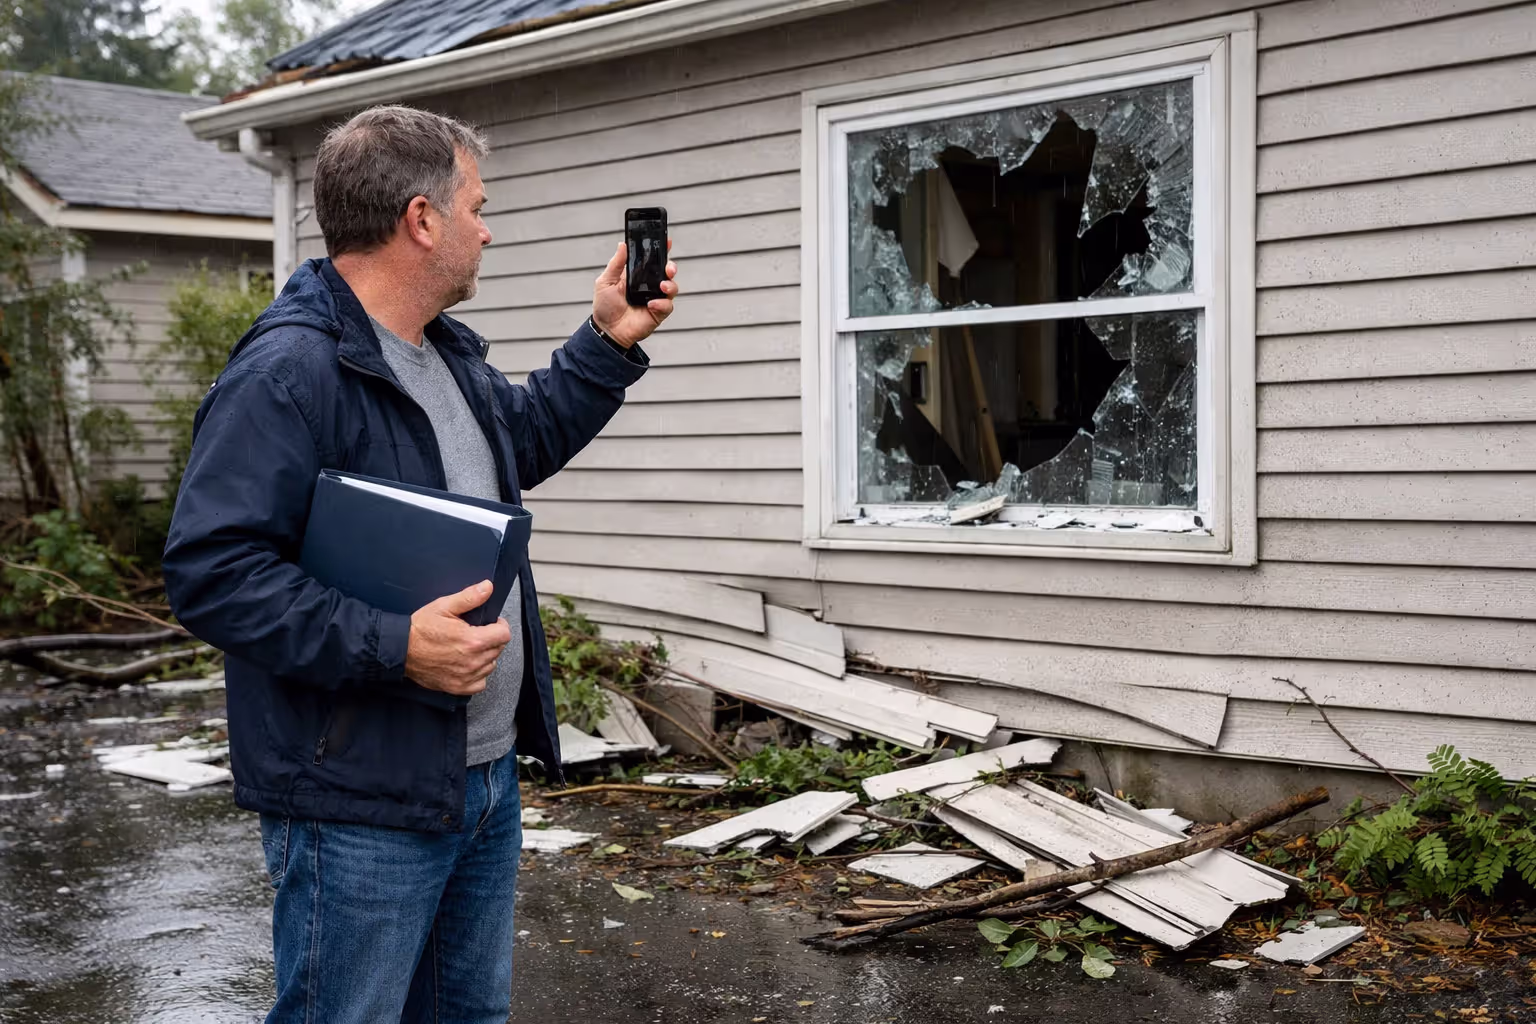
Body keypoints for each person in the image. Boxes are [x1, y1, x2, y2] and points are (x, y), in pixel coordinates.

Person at [162, 105, 678, 1023]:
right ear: (421, 219)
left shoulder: (443, 356)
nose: (488, 227)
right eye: (476, 205)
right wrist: (395, 643)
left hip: (477, 778)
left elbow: (521, 440)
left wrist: (607, 340)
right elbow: (213, 570)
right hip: (354, 797)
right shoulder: (287, 374)